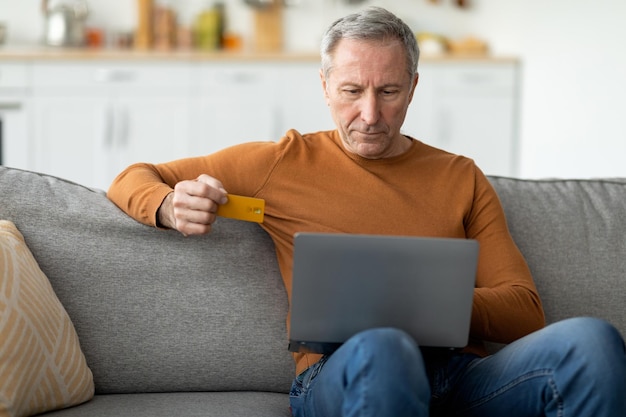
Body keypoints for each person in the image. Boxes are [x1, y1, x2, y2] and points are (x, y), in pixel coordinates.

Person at [108, 6, 626, 417]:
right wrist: (167, 207)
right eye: (352, 92)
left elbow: (523, 311)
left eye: (390, 91)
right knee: (385, 346)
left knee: (592, 341)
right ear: (326, 87)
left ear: (414, 88)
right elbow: (132, 176)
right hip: (345, 372)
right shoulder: (281, 162)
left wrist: (425, 306)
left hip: (459, 375)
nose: (371, 115)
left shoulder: (460, 176)